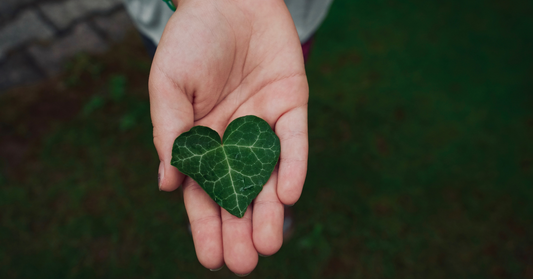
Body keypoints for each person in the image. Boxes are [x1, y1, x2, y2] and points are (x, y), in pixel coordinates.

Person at [122, 0, 332, 275]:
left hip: (286, 23)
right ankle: (235, 198)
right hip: (177, 26)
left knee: (285, 70)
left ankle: (258, 200)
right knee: (185, 104)